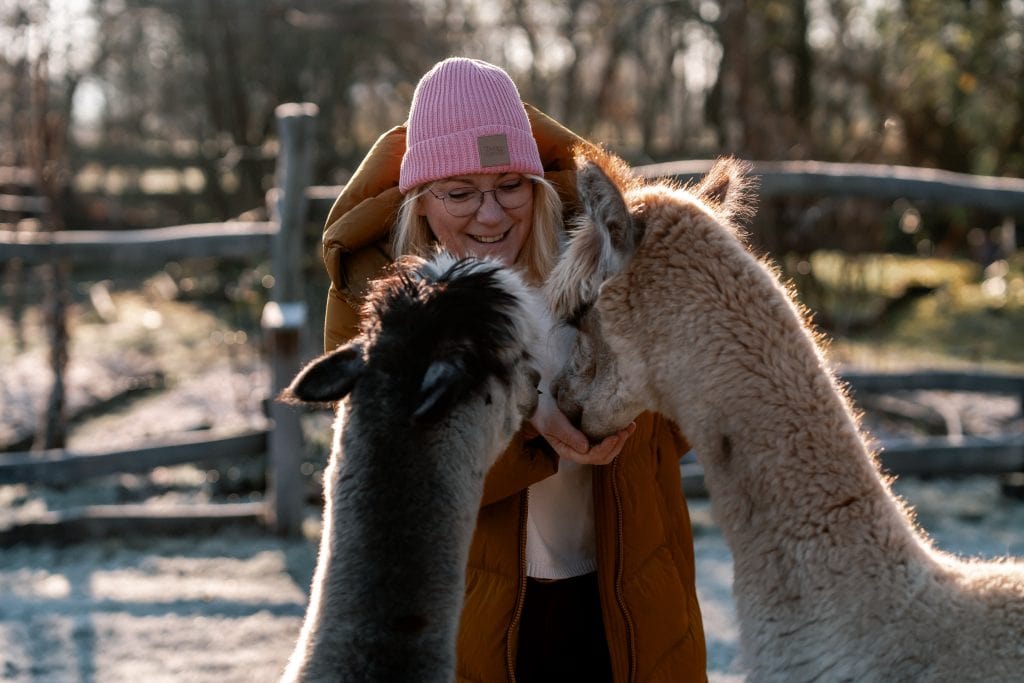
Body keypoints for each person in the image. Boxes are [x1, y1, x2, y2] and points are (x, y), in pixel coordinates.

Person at [320, 57, 706, 682]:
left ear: (538, 185)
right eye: (460, 193)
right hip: (476, 611)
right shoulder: (374, 291)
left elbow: (677, 419)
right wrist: (534, 428)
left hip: (627, 594)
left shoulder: (599, 256)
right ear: (419, 201)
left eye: (509, 185)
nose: (492, 215)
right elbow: (390, 464)